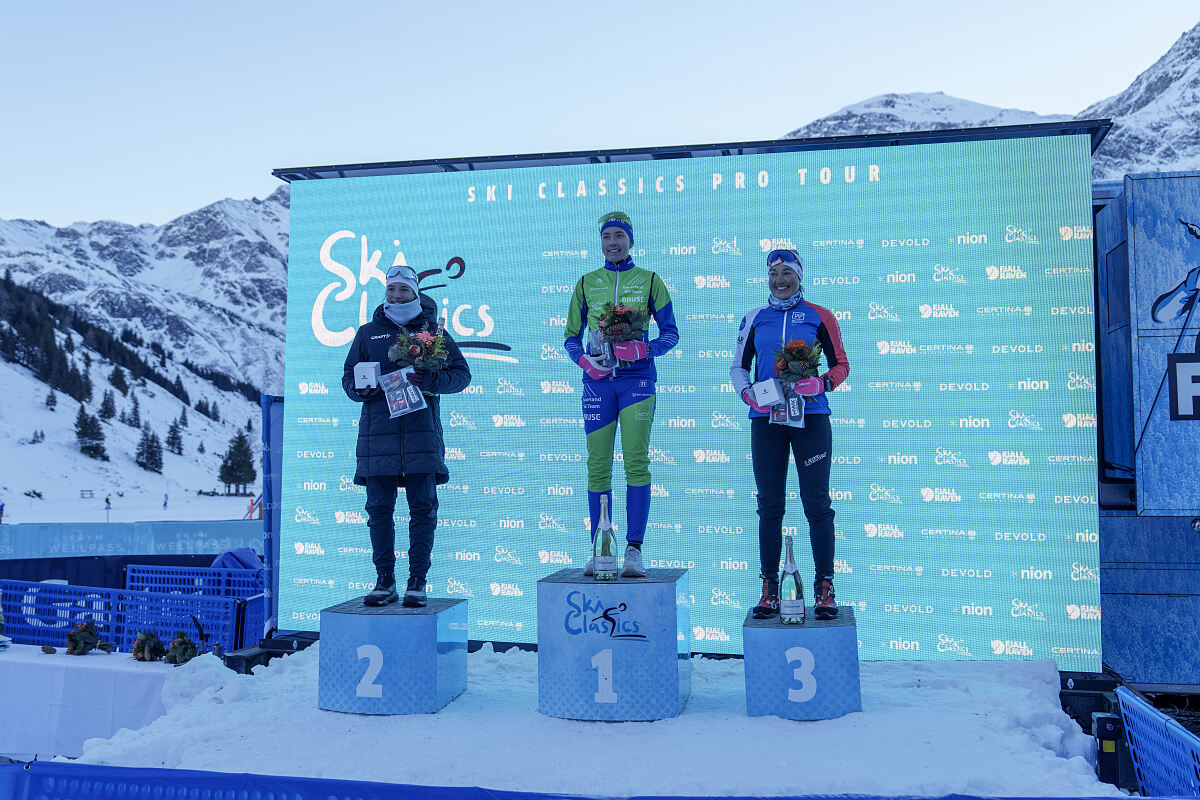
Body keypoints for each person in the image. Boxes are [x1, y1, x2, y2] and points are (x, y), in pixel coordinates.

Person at [341, 265, 472, 607]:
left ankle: (418, 582)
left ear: (415, 293)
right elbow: (348, 377)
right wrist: (360, 389)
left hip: (421, 434)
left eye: (403, 290)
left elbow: (461, 376)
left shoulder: (434, 332)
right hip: (377, 435)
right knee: (379, 510)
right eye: (391, 290)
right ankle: (384, 582)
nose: (397, 296)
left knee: (423, 509)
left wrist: (428, 381)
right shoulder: (368, 332)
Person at [730, 248, 849, 620]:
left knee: (817, 503)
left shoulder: (820, 316)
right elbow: (737, 368)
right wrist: (748, 394)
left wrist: (823, 383)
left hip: (811, 418)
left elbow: (842, 364)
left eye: (787, 273)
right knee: (769, 505)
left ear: (800, 275)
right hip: (766, 419)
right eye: (773, 274)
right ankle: (769, 587)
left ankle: (824, 588)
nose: (780, 280)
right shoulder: (754, 318)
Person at [564, 212, 679, 577]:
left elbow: (671, 333)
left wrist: (644, 351)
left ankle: (633, 550)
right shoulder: (585, 283)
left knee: (635, 462)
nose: (613, 242)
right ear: (600, 242)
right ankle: (602, 547)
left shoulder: (650, 280)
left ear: (631, 241)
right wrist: (585, 362)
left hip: (637, 382)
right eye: (607, 236)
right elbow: (570, 336)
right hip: (598, 383)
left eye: (619, 236)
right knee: (597, 466)